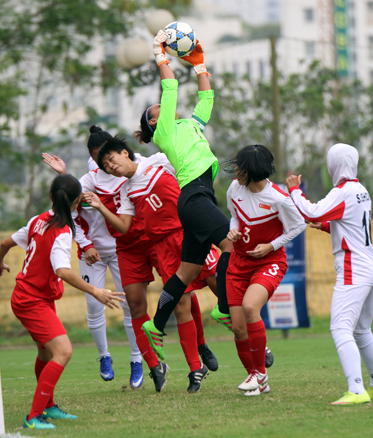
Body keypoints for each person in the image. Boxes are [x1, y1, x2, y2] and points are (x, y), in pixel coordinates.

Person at [85, 137, 220, 393]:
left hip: (188, 235)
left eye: (111, 159)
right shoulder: (122, 189)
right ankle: (191, 369)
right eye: (104, 164)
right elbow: (123, 225)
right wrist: (101, 207)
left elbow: (191, 167)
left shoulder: (159, 161)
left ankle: (243, 348)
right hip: (160, 246)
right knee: (177, 302)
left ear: (125, 152)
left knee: (222, 291)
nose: (110, 166)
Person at [0, 174, 124, 429]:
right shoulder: (63, 232)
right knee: (63, 351)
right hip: (31, 300)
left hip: (33, 296)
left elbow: (5, 242)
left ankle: (48, 406)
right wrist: (96, 291)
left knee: (47, 352)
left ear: (52, 197)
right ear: (77, 204)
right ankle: (33, 417)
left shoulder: (38, 220)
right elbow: (63, 271)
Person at [134, 32, 235, 352]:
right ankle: (224, 306)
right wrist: (159, 54)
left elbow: (206, 100)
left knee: (186, 271)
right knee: (231, 245)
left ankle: (155, 323)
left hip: (198, 198)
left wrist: (200, 65)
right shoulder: (165, 132)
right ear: (154, 125)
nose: (161, 110)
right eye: (155, 112)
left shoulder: (189, 126)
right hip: (194, 197)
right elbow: (170, 88)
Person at [285, 143, 373, 405]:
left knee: (340, 327)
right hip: (369, 265)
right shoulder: (361, 190)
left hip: (352, 267)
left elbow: (310, 210)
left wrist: (294, 190)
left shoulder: (342, 191)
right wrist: (325, 226)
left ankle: (356, 390)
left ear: (334, 165)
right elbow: (350, 225)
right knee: (362, 330)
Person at [43, 126, 144, 389]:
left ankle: (136, 360)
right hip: (93, 254)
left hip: (125, 250)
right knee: (93, 306)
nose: (107, 163)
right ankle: (104, 356)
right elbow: (70, 208)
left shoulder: (133, 170)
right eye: (100, 157)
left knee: (130, 307)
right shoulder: (89, 179)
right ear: (93, 157)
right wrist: (86, 244)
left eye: (109, 156)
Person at [224, 145, 306, 396]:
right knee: (238, 328)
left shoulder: (278, 198)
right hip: (238, 263)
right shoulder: (234, 189)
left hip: (269, 263)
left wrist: (271, 245)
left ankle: (260, 373)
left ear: (253, 170)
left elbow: (299, 225)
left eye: (240, 167)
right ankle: (256, 379)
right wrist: (233, 229)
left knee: (250, 307)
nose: (236, 170)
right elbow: (234, 215)